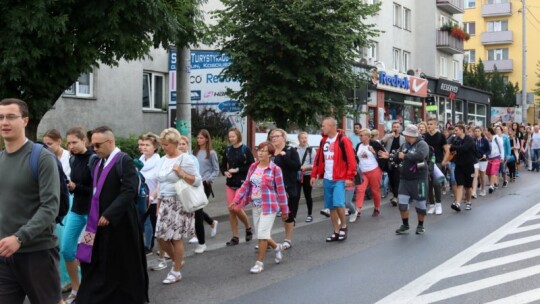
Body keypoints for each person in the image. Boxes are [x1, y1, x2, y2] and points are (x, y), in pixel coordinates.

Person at [0, 98, 63, 304]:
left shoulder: (42, 157)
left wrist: (19, 237)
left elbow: (50, 207)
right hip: (4, 255)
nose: (4, 122)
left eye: (11, 116)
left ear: (25, 121)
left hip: (37, 252)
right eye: (0, 117)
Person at [76, 126, 148, 303]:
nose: (95, 149)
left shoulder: (124, 161)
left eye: (98, 145)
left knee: (122, 261)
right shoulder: (97, 162)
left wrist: (110, 214)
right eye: (92, 145)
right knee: (94, 257)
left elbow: (129, 191)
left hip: (120, 222)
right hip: (97, 221)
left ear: (110, 142)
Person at [230, 142, 289, 274]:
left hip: (269, 206)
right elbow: (246, 185)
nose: (260, 153)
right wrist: (236, 200)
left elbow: (281, 191)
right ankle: (277, 248)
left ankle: (259, 263)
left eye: (264, 151)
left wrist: (285, 210)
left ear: (270, 154)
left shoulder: (275, 169)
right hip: (255, 206)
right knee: (262, 234)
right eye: (259, 150)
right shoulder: (253, 166)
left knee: (262, 235)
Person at [153, 129, 201, 284]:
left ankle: (176, 271)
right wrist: (158, 203)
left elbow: (197, 181)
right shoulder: (162, 159)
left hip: (180, 202)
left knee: (176, 237)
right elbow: (160, 183)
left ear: (174, 143)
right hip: (165, 202)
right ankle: (178, 261)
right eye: (162, 144)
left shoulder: (185, 159)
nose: (163, 147)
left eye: (166, 144)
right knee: (160, 237)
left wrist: (181, 173)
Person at [61, 128, 94, 304]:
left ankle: (91, 288)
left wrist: (76, 187)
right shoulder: (72, 159)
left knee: (87, 252)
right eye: (69, 143)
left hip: (92, 214)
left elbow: (97, 191)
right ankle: (76, 287)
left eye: (74, 142)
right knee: (66, 249)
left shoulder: (94, 159)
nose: (71, 146)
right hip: (76, 211)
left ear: (84, 141)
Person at [311, 117, 356, 242]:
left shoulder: (343, 140)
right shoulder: (323, 141)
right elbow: (318, 159)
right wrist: (314, 175)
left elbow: (351, 160)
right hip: (327, 178)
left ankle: (344, 227)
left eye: (324, 125)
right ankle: (336, 231)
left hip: (340, 178)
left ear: (331, 126)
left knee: (338, 203)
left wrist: (349, 177)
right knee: (331, 206)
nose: (322, 128)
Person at [379, 125, 429, 235]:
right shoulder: (404, 145)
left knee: (420, 205)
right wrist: (389, 156)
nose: (404, 136)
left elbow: (420, 156)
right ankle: (405, 225)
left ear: (410, 135)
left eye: (406, 134)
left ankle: (420, 225)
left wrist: (405, 156)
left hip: (419, 180)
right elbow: (398, 155)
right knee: (402, 204)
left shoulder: (422, 144)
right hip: (404, 179)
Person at [42, 129, 72, 292]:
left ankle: (72, 279)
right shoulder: (45, 158)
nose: (47, 146)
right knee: (57, 243)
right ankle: (61, 278)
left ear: (59, 141)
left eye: (50, 143)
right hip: (56, 203)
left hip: (70, 203)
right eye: (45, 143)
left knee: (66, 244)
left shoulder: (69, 157)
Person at [178, 135, 216, 254]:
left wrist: (208, 179)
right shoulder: (174, 158)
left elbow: (196, 176)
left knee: (198, 214)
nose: (180, 146)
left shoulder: (192, 158)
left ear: (187, 145)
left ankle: (202, 243)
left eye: (183, 144)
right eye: (179, 144)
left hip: (194, 189)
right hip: (180, 190)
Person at [220, 128, 255, 246]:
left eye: (233, 137)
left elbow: (252, 166)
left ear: (238, 136)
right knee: (231, 210)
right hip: (230, 182)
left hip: (242, 182)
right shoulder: (228, 150)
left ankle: (248, 227)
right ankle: (235, 237)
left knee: (236, 208)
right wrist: (225, 172)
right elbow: (223, 166)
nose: (231, 139)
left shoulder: (245, 149)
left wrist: (237, 169)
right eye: (229, 137)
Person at [270, 128, 301, 250]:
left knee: (287, 215)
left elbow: (296, 166)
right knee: (269, 214)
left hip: (288, 187)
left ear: (284, 138)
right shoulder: (270, 152)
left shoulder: (290, 150)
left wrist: (284, 157)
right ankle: (266, 239)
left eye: (276, 136)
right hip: (272, 188)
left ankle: (287, 239)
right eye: (272, 136)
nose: (274, 138)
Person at [191, 129, 220, 252]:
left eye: (201, 138)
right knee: (195, 209)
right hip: (195, 184)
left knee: (197, 210)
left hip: (205, 184)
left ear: (207, 139)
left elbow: (216, 169)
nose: (199, 140)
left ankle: (201, 242)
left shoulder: (211, 153)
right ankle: (212, 222)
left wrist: (209, 179)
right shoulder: (194, 152)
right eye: (198, 138)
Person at [353, 128, 385, 219]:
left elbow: (383, 155)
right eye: (359, 135)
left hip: (374, 170)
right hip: (363, 172)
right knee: (360, 189)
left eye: (361, 135)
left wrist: (374, 152)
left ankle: (377, 208)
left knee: (375, 191)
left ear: (367, 136)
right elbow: (356, 157)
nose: (360, 137)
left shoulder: (374, 144)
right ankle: (358, 209)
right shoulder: (359, 145)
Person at [138, 132, 161, 255]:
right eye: (142, 145)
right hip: (142, 198)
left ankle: (161, 249)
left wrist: (152, 197)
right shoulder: (139, 161)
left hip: (155, 200)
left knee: (154, 225)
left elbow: (160, 183)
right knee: (141, 223)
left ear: (155, 147)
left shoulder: (159, 162)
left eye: (147, 145)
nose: (144, 147)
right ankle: (146, 246)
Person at [449, 124, 477, 211]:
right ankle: (457, 203)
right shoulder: (455, 139)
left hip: (469, 166)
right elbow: (450, 150)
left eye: (456, 130)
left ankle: (468, 202)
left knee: (468, 187)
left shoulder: (469, 139)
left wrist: (453, 147)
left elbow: (464, 148)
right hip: (459, 165)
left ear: (462, 130)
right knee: (459, 185)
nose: (455, 132)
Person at [424, 118, 447, 215]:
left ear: (436, 125)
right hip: (426, 162)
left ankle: (438, 204)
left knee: (436, 183)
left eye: (431, 124)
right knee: (428, 184)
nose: (429, 126)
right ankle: (432, 205)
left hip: (437, 162)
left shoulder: (441, 136)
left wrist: (444, 161)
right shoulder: (424, 136)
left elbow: (447, 149)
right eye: (428, 124)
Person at [382, 121, 405, 206]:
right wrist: (388, 137)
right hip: (389, 160)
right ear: (392, 128)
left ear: (400, 128)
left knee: (396, 178)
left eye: (397, 127)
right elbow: (382, 143)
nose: (396, 128)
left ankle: (395, 197)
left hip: (399, 161)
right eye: (394, 127)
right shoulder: (388, 136)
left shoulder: (403, 138)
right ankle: (394, 194)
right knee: (391, 179)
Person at [296, 132, 315, 222]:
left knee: (308, 196)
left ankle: (309, 214)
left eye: (306, 138)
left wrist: (306, 167)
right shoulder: (295, 149)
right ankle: (293, 216)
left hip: (307, 175)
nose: (304, 140)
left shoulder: (311, 150)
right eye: (302, 138)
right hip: (297, 176)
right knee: (296, 196)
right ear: (299, 139)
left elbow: (315, 165)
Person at [485, 127, 504, 193]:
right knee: (488, 172)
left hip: (496, 157)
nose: (485, 132)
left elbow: (501, 147)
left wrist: (502, 157)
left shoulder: (496, 138)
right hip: (488, 158)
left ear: (489, 132)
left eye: (486, 130)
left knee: (493, 171)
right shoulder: (485, 139)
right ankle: (492, 183)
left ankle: (491, 185)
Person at [473, 127, 490, 197]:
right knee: (475, 175)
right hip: (475, 160)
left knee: (482, 175)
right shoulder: (473, 140)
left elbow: (489, 150)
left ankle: (483, 189)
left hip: (483, 159)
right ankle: (474, 191)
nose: (477, 132)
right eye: (475, 131)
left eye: (478, 131)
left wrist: (485, 154)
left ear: (481, 132)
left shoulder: (485, 140)